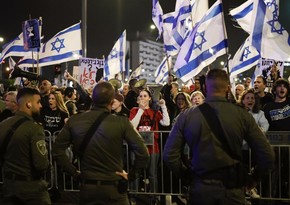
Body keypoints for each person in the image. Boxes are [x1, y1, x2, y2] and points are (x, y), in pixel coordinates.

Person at [163, 69, 275, 205]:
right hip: (232, 189)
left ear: (205, 87)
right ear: (228, 88)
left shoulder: (187, 116)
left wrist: (186, 176)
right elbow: (267, 154)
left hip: (200, 186)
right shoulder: (242, 115)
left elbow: (169, 154)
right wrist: (253, 179)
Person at [52, 81, 149, 205]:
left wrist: (74, 172)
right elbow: (143, 153)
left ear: (93, 97)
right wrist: (131, 176)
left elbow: (57, 150)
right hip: (113, 187)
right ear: (112, 100)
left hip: (87, 186)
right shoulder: (121, 122)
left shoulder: (75, 120)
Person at [0, 87, 50, 205]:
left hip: (9, 186)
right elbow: (41, 164)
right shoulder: (34, 128)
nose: (41, 106)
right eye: (38, 102)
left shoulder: (3, 125)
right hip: (31, 189)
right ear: (28, 104)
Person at [129, 89, 170, 194]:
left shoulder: (154, 111)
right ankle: (135, 195)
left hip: (153, 146)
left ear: (149, 98)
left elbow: (166, 123)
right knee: (136, 172)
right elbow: (132, 125)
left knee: (152, 173)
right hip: (137, 147)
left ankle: (154, 196)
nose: (142, 98)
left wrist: (163, 107)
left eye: (145, 96)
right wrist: (141, 110)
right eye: (140, 96)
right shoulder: (134, 110)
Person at [240, 88, 269, 200]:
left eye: (252, 98)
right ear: (243, 101)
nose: (250, 100)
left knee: (253, 169)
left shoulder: (260, 113)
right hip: (241, 147)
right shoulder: (238, 112)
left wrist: (254, 134)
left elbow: (265, 126)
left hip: (254, 148)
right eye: (247, 98)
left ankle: (251, 187)